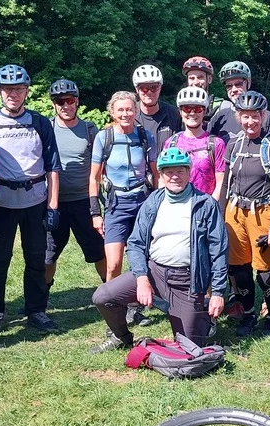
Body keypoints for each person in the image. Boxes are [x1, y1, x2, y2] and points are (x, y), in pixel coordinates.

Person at [90, 147, 228, 353]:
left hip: (187, 281)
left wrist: (217, 292)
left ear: (189, 172)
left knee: (189, 349)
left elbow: (219, 251)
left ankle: (202, 318)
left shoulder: (206, 204)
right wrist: (142, 279)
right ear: (161, 175)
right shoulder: (153, 201)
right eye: (168, 171)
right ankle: (121, 337)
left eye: (180, 171)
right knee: (103, 296)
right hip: (154, 272)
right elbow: (135, 243)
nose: (175, 176)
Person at [0, 65, 61, 337]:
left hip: (35, 201)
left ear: (27, 91)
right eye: (8, 89)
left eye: (19, 89)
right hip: (1, 203)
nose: (13, 94)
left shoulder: (39, 122)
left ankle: (36, 310)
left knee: (36, 258)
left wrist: (53, 206)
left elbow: (53, 166)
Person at [222, 90, 270, 337]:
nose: (250, 122)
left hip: (263, 210)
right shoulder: (234, 144)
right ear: (238, 116)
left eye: (255, 116)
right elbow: (225, 183)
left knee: (265, 268)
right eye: (245, 116)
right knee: (238, 267)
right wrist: (221, 216)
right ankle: (248, 314)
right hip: (235, 210)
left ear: (263, 116)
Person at [90, 92, 158, 319]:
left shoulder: (146, 136)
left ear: (136, 111)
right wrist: (95, 212)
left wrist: (158, 204)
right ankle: (113, 307)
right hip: (116, 204)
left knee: (143, 257)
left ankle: (135, 307)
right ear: (112, 112)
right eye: (120, 110)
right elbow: (94, 178)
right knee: (114, 263)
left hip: (142, 201)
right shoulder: (104, 137)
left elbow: (156, 173)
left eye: (129, 109)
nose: (125, 113)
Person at [44, 79, 106, 287]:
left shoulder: (90, 129)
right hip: (54, 202)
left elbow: (101, 165)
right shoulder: (47, 128)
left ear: (77, 101)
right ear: (54, 104)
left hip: (84, 201)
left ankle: (112, 294)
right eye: (60, 101)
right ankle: (39, 302)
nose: (66, 106)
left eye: (70, 100)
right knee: (47, 255)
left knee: (98, 251)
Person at [166, 87, 226, 199]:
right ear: (180, 112)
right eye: (187, 109)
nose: (192, 113)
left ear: (205, 111)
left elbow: (220, 183)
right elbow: (164, 178)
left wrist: (210, 207)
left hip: (206, 206)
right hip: (177, 205)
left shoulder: (216, 144)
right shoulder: (171, 143)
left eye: (198, 109)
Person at [207, 61, 270, 139]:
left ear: (249, 83)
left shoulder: (267, 117)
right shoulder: (220, 116)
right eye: (229, 86)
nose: (234, 89)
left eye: (238, 84)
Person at [131, 64, 181, 157]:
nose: (149, 92)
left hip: (167, 168)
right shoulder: (130, 115)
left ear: (160, 88)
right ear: (137, 89)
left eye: (154, 87)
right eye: (144, 88)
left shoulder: (174, 114)